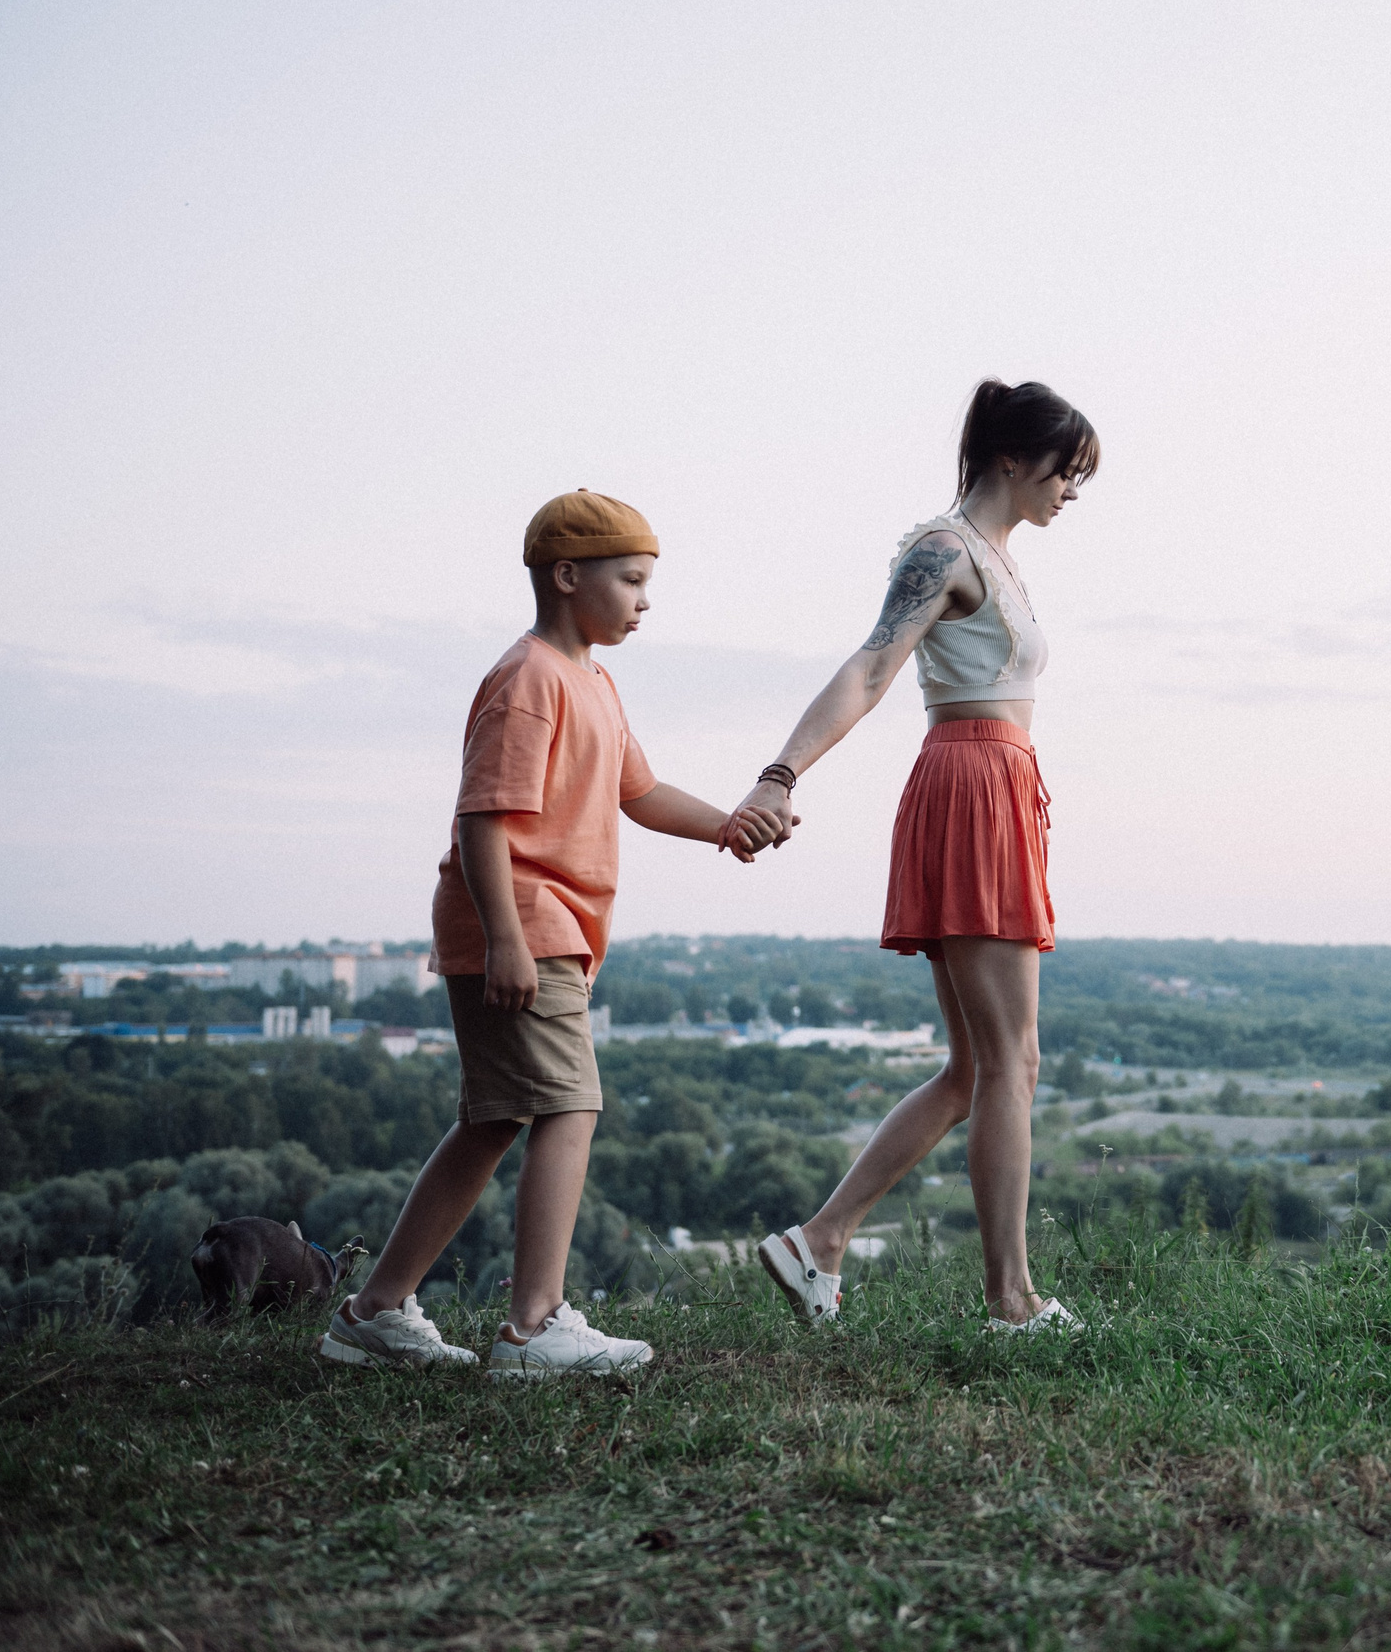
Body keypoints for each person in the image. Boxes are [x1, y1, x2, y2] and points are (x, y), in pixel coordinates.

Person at [320, 490, 787, 1373]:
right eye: (633, 580)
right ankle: (534, 1328)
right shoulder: (530, 677)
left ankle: (373, 1312)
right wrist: (503, 935)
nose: (646, 600)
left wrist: (727, 823)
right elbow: (483, 817)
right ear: (570, 576)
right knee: (570, 1104)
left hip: (546, 924)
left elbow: (639, 792)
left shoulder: (596, 683)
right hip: (523, 920)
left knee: (492, 1121)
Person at [722, 380, 1098, 1334]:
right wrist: (781, 773)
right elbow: (871, 666)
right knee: (1013, 1059)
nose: (1074, 490)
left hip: (992, 785)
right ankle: (1011, 1300)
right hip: (974, 784)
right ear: (1014, 458)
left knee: (977, 1067)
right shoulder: (945, 549)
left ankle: (822, 1238)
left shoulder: (996, 557)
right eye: (1068, 470)